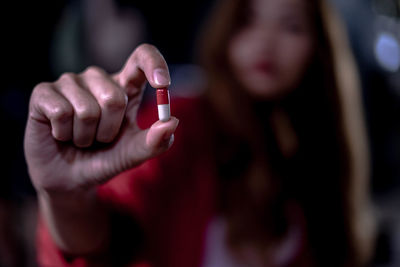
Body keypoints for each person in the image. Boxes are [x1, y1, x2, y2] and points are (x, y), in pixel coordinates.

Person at [24, 0, 376, 266]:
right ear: (225, 32)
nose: (265, 43)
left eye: (292, 26)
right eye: (248, 21)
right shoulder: (182, 124)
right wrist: (67, 200)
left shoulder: (318, 150)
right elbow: (106, 241)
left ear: (320, 49)